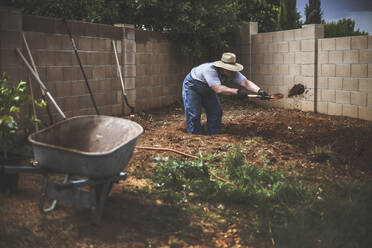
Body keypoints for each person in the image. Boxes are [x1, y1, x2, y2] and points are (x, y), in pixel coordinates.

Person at [182, 52, 269, 135]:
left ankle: (213, 136)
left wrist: (259, 91)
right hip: (193, 86)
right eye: (229, 69)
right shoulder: (210, 70)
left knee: (216, 112)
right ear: (222, 67)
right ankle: (194, 137)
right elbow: (218, 89)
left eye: (232, 69)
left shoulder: (233, 73)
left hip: (209, 88)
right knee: (194, 114)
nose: (231, 72)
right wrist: (237, 92)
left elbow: (245, 82)